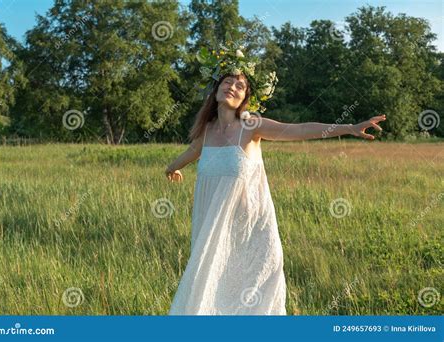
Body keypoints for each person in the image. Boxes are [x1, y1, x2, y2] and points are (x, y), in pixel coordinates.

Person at [165, 43, 386, 315]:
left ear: (246, 97)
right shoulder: (207, 131)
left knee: (248, 298)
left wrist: (349, 128)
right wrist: (172, 168)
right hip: (211, 227)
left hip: (250, 233)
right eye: (227, 81)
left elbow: (299, 129)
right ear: (216, 88)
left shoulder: (251, 126)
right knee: (210, 288)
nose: (232, 86)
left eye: (240, 85)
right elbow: (192, 151)